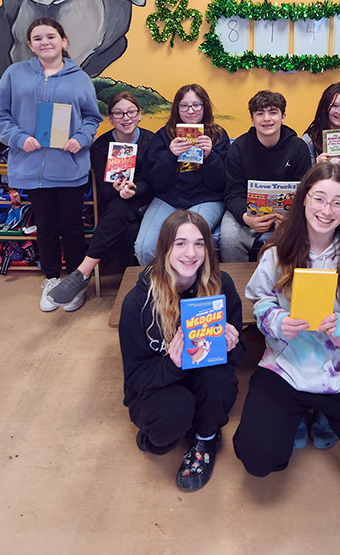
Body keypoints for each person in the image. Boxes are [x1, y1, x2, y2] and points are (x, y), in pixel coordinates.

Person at [233, 162, 340, 487]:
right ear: (304, 199)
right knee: (257, 458)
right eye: (319, 198)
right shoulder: (277, 252)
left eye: (337, 202)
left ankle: (325, 412)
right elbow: (260, 301)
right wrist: (277, 320)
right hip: (285, 366)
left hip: (339, 373)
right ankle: (298, 413)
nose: (326, 210)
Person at [118, 210, 244, 491]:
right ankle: (171, 430)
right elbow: (136, 379)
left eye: (199, 243)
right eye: (180, 243)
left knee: (219, 379)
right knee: (167, 428)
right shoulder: (138, 301)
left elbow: (237, 359)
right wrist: (173, 363)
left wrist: (231, 346)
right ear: (164, 248)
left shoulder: (221, 286)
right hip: (159, 384)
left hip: (204, 378)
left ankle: (207, 436)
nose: (191, 253)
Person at [0, 18, 102, 312]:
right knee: (46, 226)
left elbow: (92, 118)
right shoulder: (16, 74)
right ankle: (51, 278)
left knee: (73, 227)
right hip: (31, 168)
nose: (44, 42)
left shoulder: (80, 79)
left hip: (69, 167)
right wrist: (17, 137)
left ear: (64, 41)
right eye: (37, 38)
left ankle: (75, 282)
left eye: (51, 36)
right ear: (30, 45)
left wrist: (81, 138)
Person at [48, 91, 154, 307]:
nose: (126, 118)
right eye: (119, 113)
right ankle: (133, 289)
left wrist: (135, 189)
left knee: (122, 209)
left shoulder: (152, 140)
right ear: (110, 118)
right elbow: (105, 191)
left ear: (139, 115)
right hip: (118, 204)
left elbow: (155, 183)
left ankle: (82, 272)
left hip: (146, 201)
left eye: (131, 112)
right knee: (127, 225)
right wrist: (117, 189)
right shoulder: (101, 146)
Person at [134, 84, 230, 267]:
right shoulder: (164, 135)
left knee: (188, 244)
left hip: (206, 199)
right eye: (184, 106)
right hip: (168, 198)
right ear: (177, 109)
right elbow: (155, 183)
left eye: (196, 105)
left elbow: (220, 184)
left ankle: (190, 286)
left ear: (205, 107)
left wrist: (210, 157)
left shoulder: (218, 135)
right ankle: (158, 288)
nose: (190, 111)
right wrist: (170, 155)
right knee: (145, 247)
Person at [219, 90, 311, 263]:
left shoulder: (298, 147)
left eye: (273, 112)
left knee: (301, 236)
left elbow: (304, 191)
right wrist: (246, 217)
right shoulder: (238, 148)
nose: (266, 118)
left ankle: (284, 284)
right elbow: (232, 193)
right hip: (248, 211)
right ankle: (238, 286)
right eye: (260, 114)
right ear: (253, 120)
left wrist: (290, 218)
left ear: (283, 117)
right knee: (230, 239)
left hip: (287, 215)